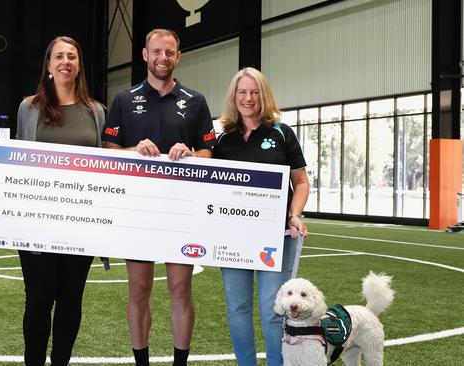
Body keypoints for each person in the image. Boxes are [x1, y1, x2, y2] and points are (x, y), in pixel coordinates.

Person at [102, 28, 217, 366]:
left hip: (180, 214)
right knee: (139, 291)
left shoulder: (195, 101)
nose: (162, 58)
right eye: (156, 52)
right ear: (144, 55)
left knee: (180, 291)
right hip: (138, 213)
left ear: (177, 56)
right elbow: (110, 152)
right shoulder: (125, 100)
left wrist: (192, 153)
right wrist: (132, 149)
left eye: (169, 52)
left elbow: (209, 153)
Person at [16, 36, 106, 366]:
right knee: (38, 301)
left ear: (79, 64)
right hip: (37, 225)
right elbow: (18, 160)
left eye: (71, 56)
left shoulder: (96, 112)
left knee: (71, 302)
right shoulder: (29, 108)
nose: (65, 61)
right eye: (58, 56)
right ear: (49, 65)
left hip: (80, 226)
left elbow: (105, 166)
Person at [212, 67, 310, 366]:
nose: (248, 98)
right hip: (234, 239)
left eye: (255, 92)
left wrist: (294, 214)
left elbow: (302, 182)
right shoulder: (222, 139)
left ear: (263, 95)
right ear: (234, 96)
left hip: (276, 237)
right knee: (237, 308)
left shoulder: (281, 133)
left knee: (273, 310)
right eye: (242, 92)